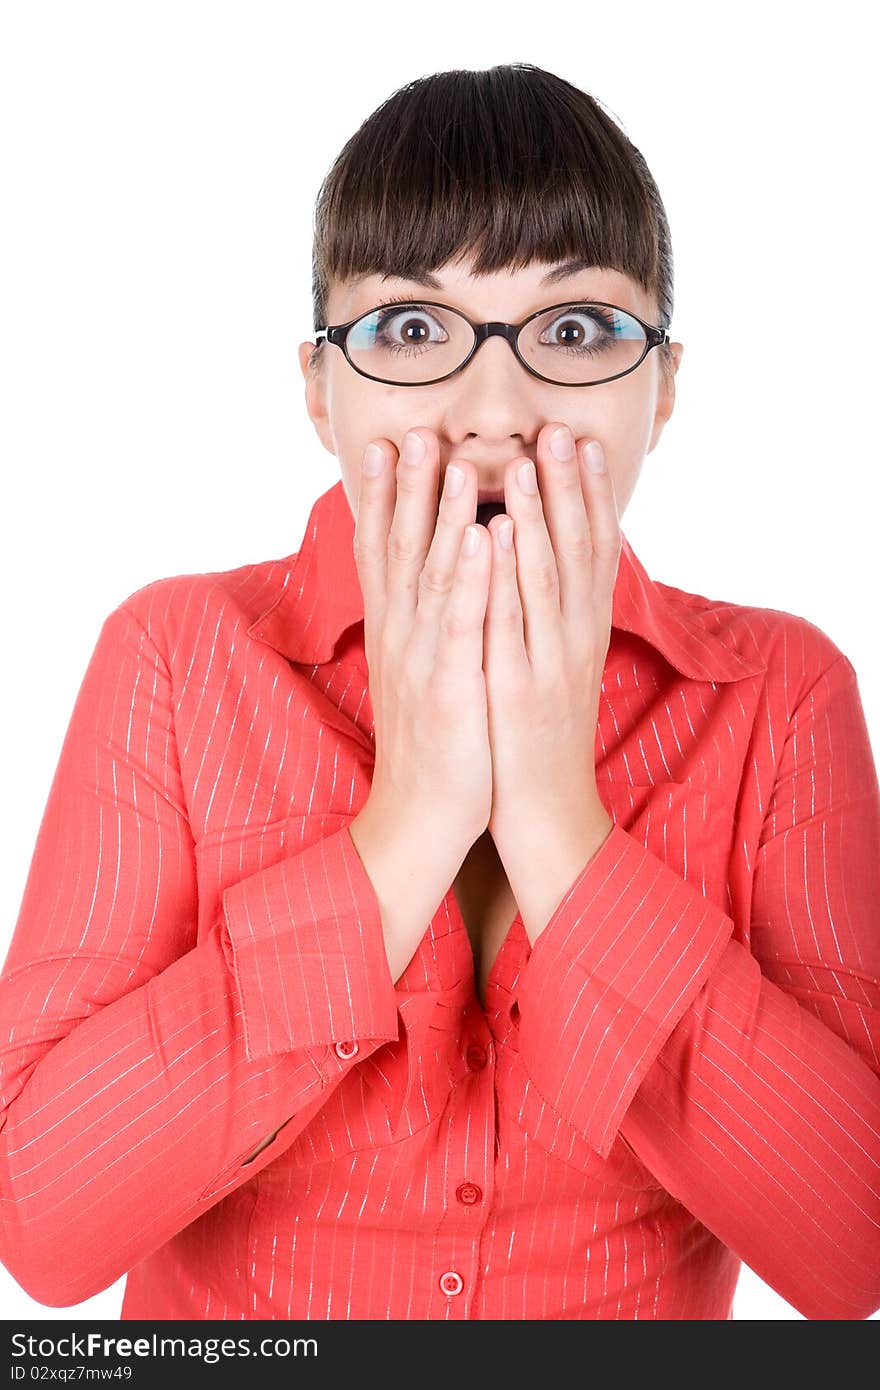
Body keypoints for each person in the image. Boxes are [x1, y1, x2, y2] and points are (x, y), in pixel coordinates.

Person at [1, 63, 878, 1323]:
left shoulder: (780, 694)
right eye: (413, 330)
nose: (495, 411)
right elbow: (40, 1219)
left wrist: (558, 826)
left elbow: (852, 1251)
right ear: (319, 389)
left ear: (663, 387)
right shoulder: (176, 657)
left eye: (573, 331)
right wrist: (408, 822)